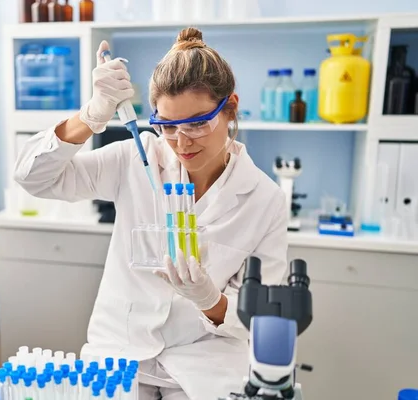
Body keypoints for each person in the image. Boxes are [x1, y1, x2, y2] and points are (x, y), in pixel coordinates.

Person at [15, 27, 288, 400]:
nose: (181, 142)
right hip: (119, 355)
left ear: (231, 108)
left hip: (203, 360)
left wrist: (211, 300)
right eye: (167, 126)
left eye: (197, 123)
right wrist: (92, 115)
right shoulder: (137, 158)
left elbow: (261, 319)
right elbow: (34, 178)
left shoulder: (265, 199)